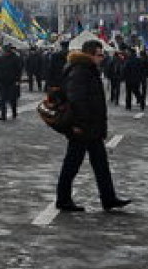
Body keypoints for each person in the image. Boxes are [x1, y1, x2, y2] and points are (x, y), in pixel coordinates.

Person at [55, 39, 132, 213]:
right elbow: (77, 101)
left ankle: (109, 198)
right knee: (72, 165)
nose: (102, 57)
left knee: (101, 165)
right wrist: (78, 125)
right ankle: (63, 199)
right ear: (89, 54)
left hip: (92, 128)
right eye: (99, 54)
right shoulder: (80, 71)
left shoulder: (88, 69)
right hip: (82, 128)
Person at [0, 44, 23, 121]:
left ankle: (12, 112)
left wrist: (17, 80)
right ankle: (4, 114)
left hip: (11, 81)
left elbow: (19, 70)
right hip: (5, 82)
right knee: (4, 99)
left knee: (10, 99)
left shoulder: (15, 58)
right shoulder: (1, 58)